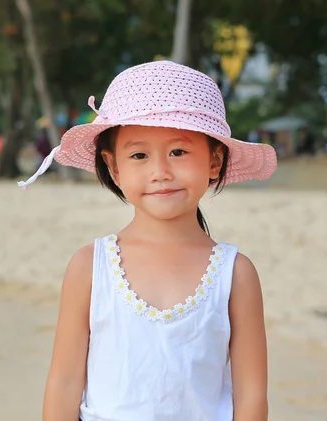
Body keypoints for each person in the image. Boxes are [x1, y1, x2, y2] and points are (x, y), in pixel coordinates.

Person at [17, 61, 277, 421]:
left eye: (179, 152)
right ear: (114, 167)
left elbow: (251, 396)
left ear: (214, 161)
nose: (160, 172)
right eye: (139, 155)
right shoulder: (90, 267)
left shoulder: (236, 274)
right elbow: (63, 383)